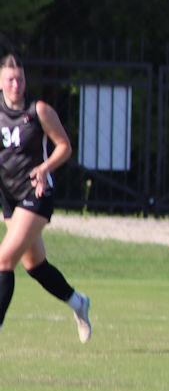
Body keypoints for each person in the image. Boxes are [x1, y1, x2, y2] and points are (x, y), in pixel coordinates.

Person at [0, 52, 91, 342]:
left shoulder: (38, 110)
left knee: (3, 261)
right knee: (35, 266)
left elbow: (64, 146)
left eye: (20, 79)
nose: (16, 85)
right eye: (10, 80)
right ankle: (78, 303)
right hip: (9, 198)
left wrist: (44, 167)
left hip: (36, 193)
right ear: (0, 83)